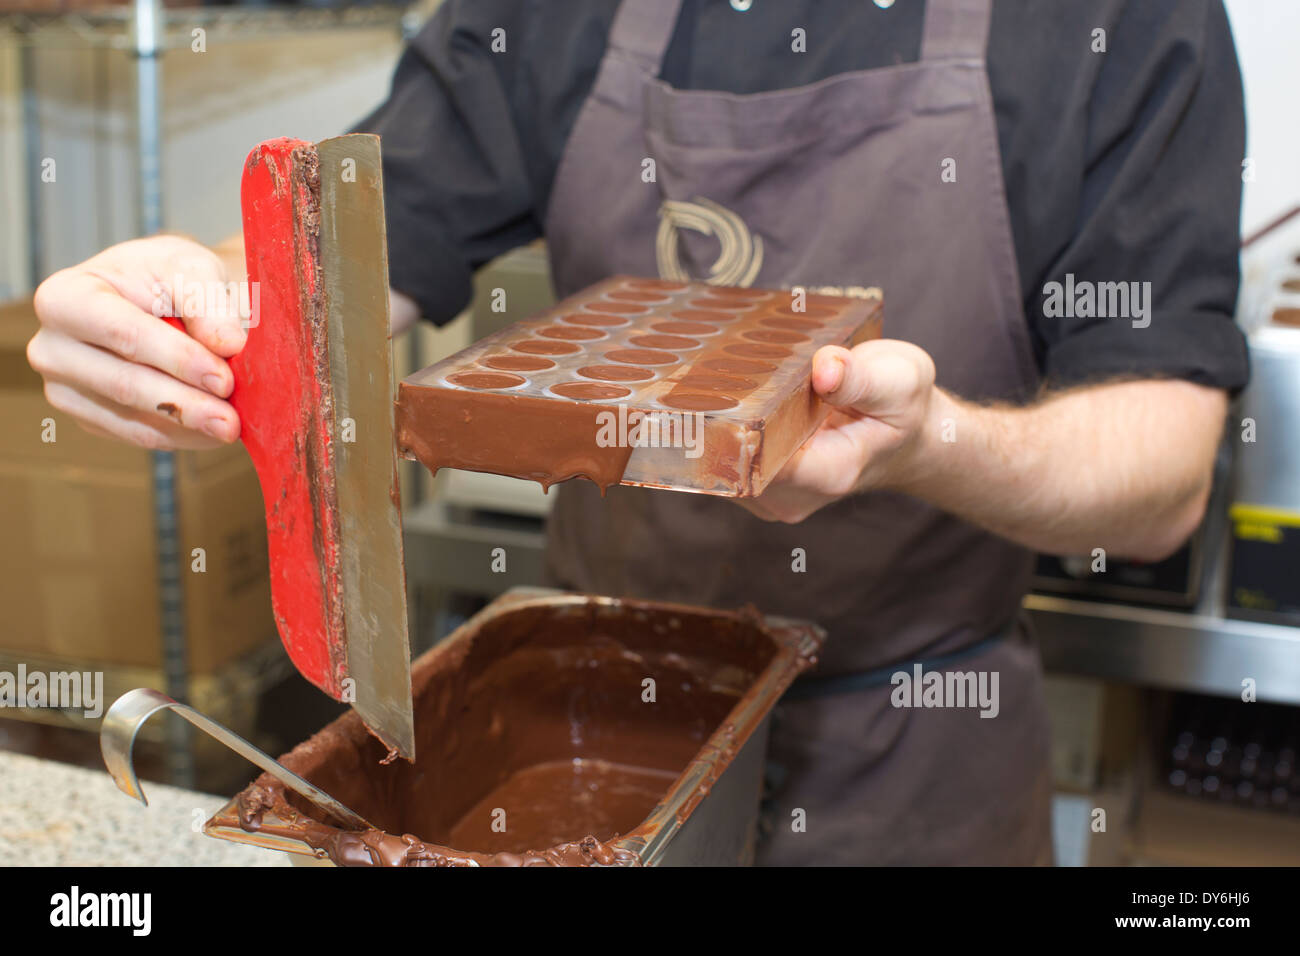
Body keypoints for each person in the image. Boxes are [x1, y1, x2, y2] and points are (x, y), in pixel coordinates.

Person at [26, 0, 1248, 864]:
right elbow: (322, 282)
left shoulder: (1119, 18)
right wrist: (184, 318)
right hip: (590, 717)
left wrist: (929, 442)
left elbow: (1161, 473)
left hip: (919, 745)